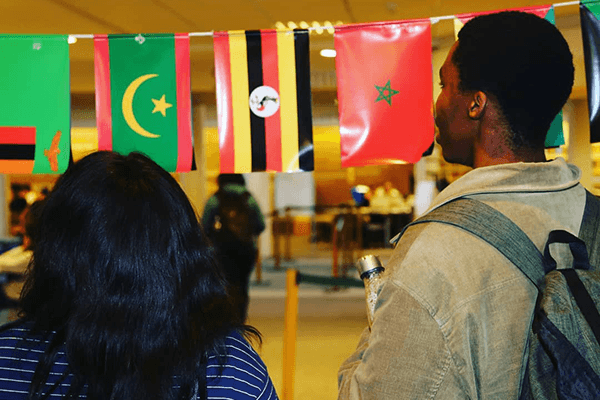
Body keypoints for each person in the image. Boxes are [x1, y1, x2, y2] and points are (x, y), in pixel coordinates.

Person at [338, 11, 583, 398]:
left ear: (475, 105)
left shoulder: (433, 253)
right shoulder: (591, 216)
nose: (436, 103)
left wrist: (364, 350)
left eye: (444, 85)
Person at [0, 151, 278, 400]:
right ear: (182, 247)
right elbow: (259, 224)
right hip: (242, 253)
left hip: (224, 252)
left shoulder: (8, 357)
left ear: (54, 248)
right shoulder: (233, 369)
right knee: (239, 290)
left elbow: (207, 223)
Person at [202, 174, 266, 321]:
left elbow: (205, 226)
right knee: (242, 285)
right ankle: (240, 317)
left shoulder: (215, 199)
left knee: (225, 284)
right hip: (246, 250)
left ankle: (227, 319)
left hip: (222, 251)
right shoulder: (249, 198)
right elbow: (261, 225)